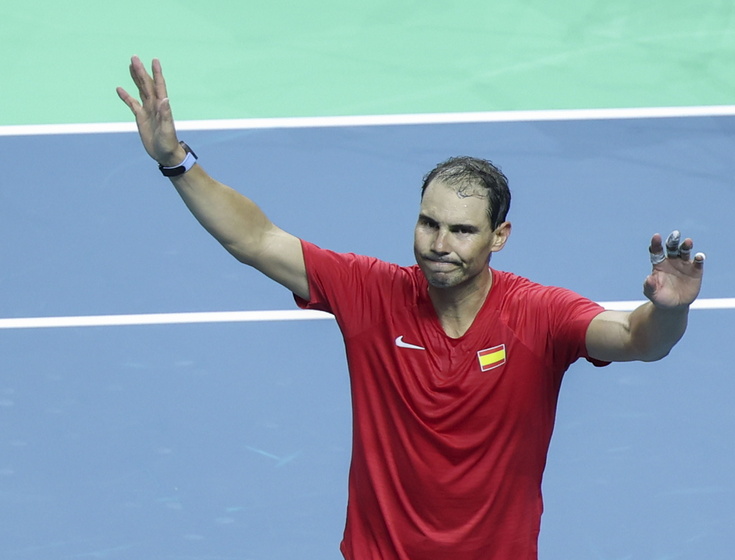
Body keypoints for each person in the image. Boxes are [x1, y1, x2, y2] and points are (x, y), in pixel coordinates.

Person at [117, 56, 704, 560]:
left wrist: (670, 311)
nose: (439, 243)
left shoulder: (538, 315)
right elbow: (257, 240)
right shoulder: (370, 292)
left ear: (499, 236)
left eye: (460, 230)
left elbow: (636, 339)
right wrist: (177, 162)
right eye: (428, 223)